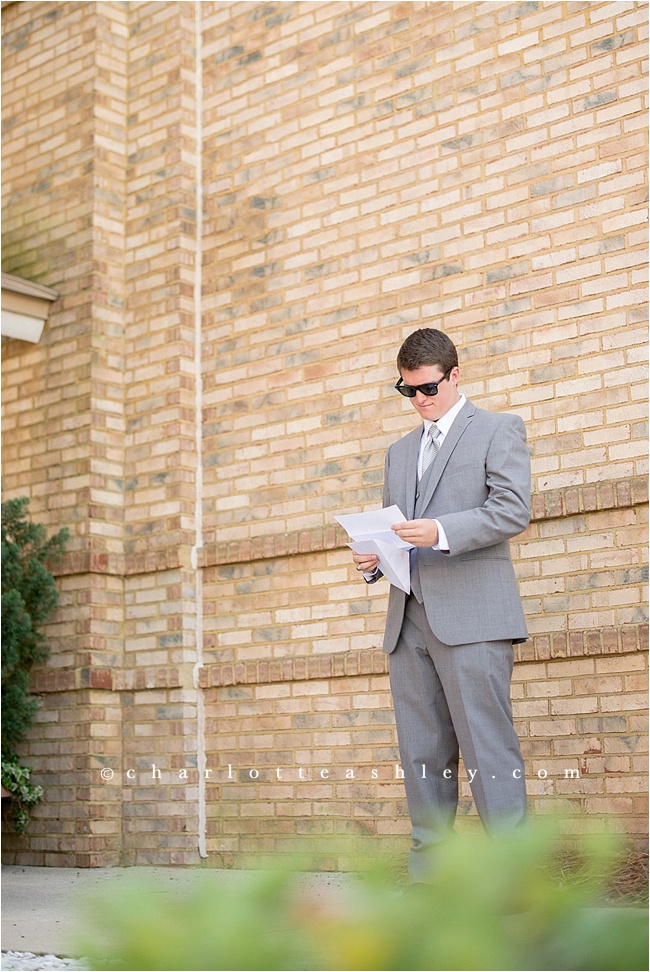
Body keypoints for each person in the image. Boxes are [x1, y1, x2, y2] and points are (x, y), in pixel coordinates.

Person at [352, 327, 530, 882]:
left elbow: (512, 510)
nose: (420, 401)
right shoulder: (398, 452)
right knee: (422, 756)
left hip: (474, 618)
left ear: (455, 375)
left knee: (488, 751)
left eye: (428, 388)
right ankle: (430, 882)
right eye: (407, 392)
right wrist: (374, 561)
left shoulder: (498, 430)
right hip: (408, 624)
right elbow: (395, 531)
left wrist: (441, 530)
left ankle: (515, 883)